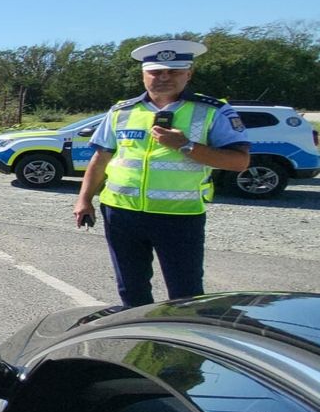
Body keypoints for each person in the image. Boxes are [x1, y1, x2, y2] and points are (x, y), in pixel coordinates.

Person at [73, 39, 250, 308]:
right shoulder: (122, 111)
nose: (164, 77)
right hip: (121, 213)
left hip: (179, 216)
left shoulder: (212, 111)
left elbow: (239, 162)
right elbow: (100, 158)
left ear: (188, 74)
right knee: (130, 289)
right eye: (156, 72)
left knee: (185, 293)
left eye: (173, 71)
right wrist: (84, 200)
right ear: (143, 75)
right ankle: (138, 333)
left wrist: (186, 145)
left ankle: (183, 334)